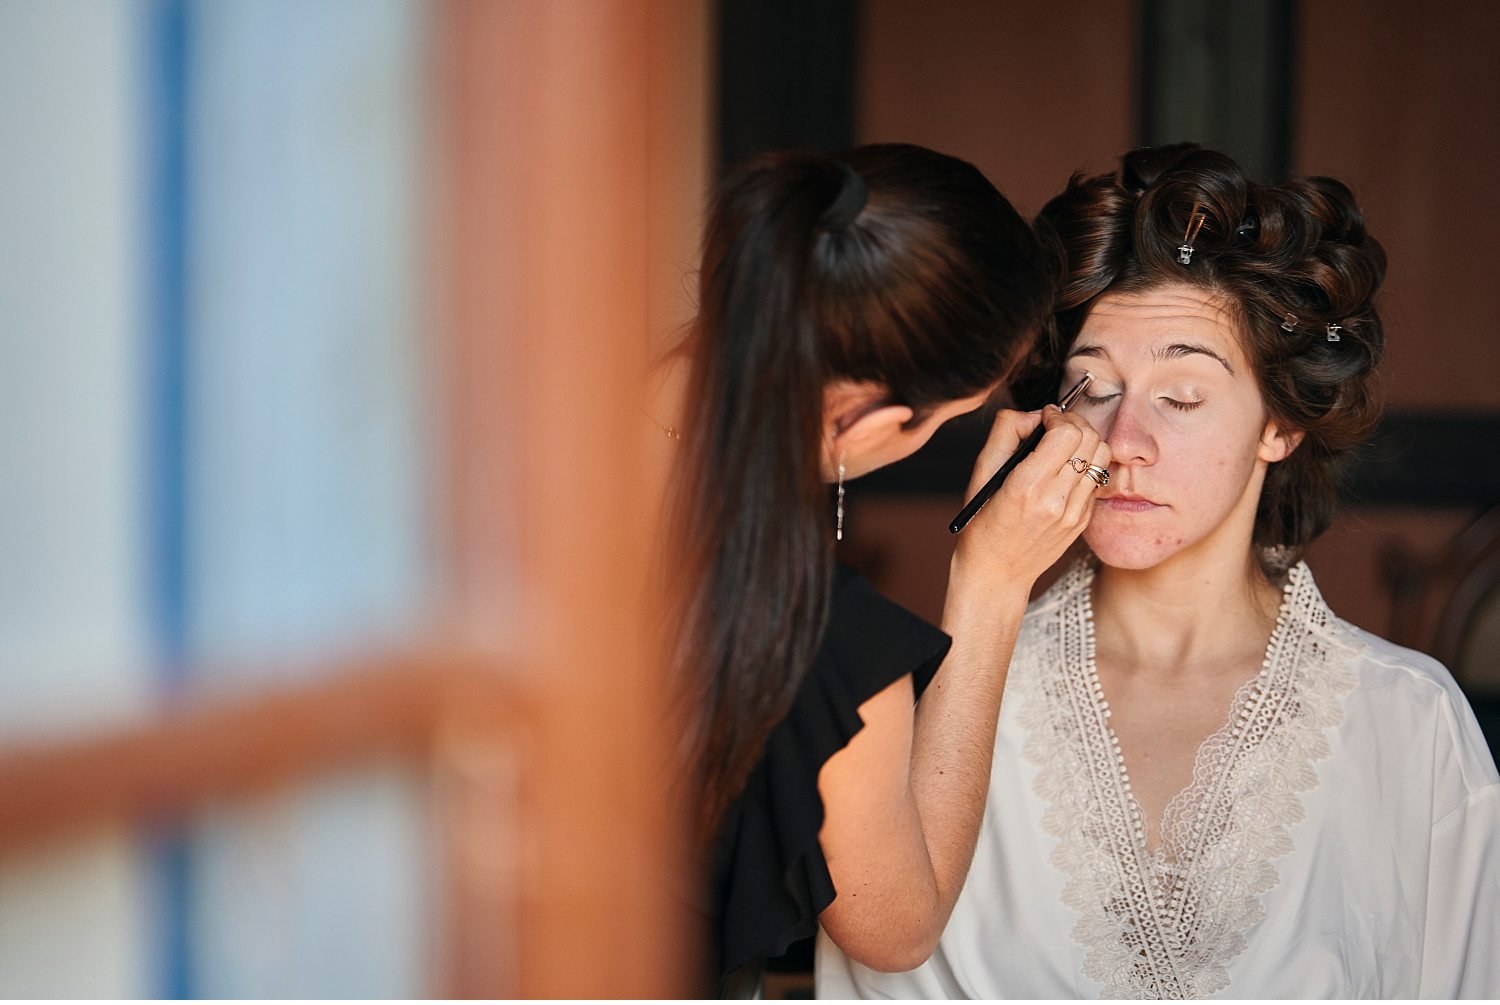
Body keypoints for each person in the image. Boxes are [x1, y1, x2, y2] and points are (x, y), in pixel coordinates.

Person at [817, 143, 1500, 998]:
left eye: (1181, 397)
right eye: (1091, 388)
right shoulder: (932, 712)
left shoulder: (1412, 724)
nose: (1122, 442)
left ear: (1280, 426)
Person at [663, 143, 1113, 995]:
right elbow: (897, 924)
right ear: (865, 420)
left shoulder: (520, 431)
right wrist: (991, 578)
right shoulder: (808, 635)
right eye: (944, 421)